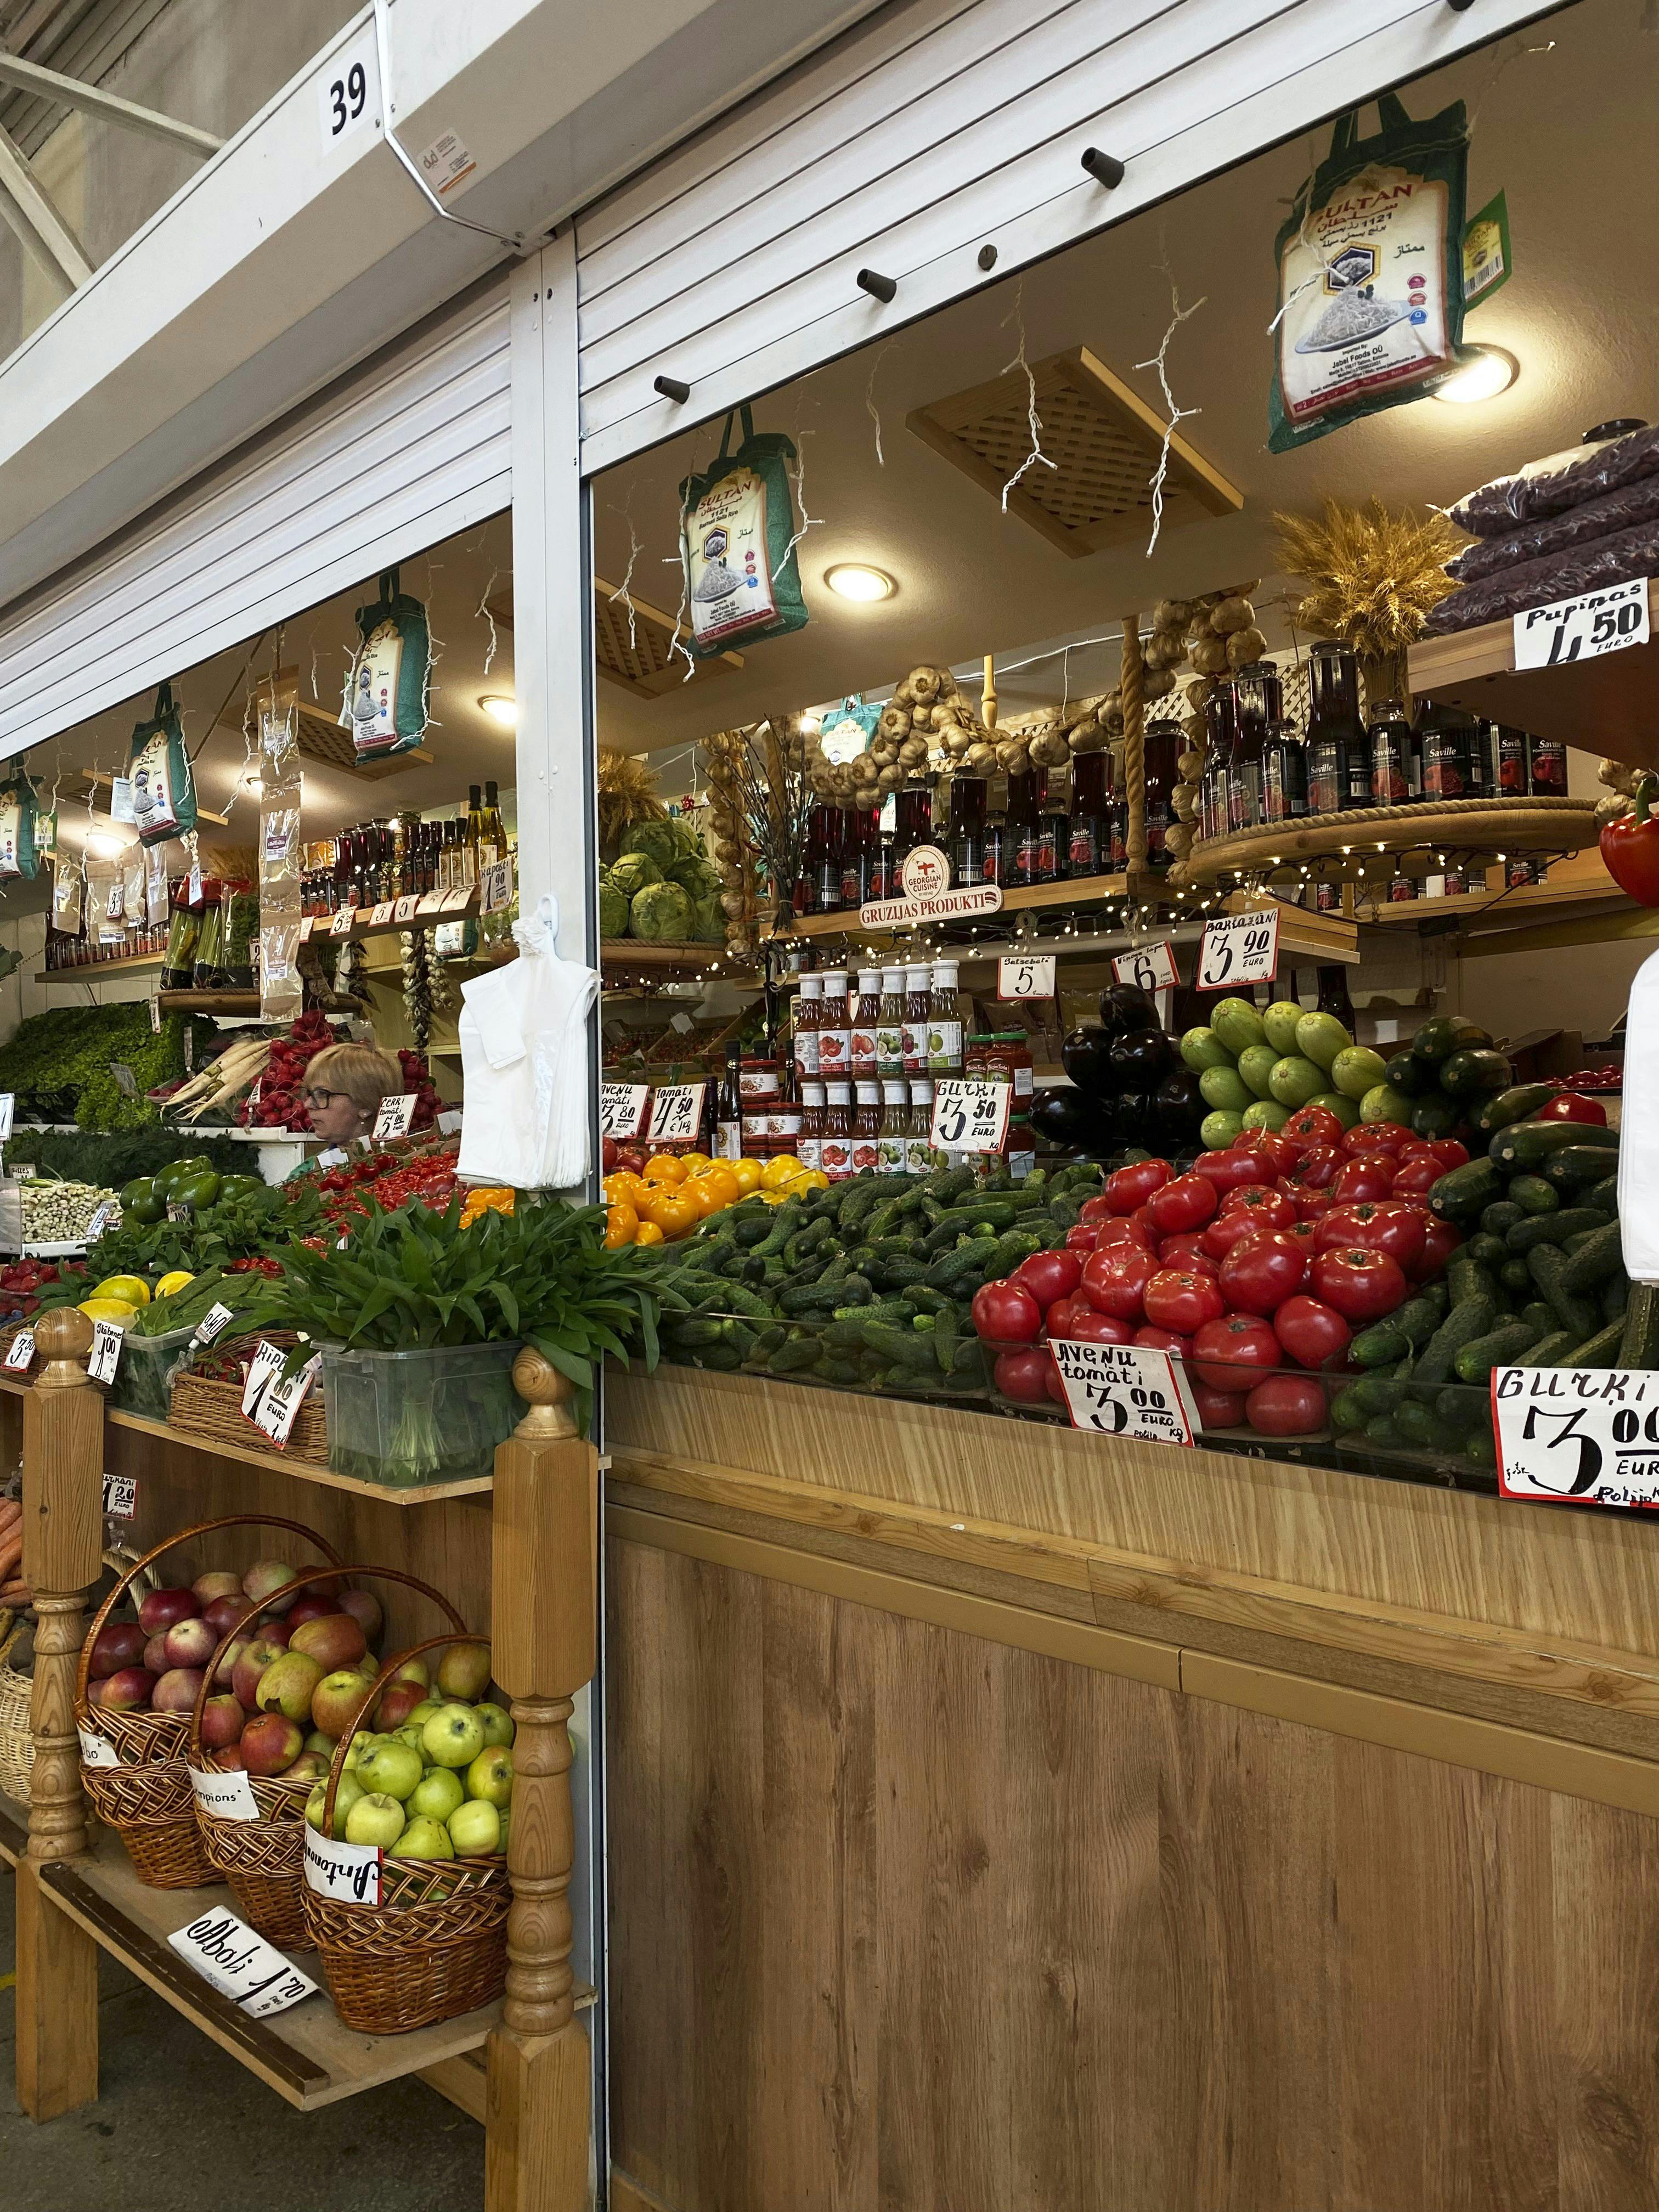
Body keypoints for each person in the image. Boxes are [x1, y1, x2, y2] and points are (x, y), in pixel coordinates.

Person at [300, 1042, 403, 1144]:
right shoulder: (318, 1161)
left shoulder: (404, 1160)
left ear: (366, 1106)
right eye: (310, 1093)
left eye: (322, 1094)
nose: (307, 1105)